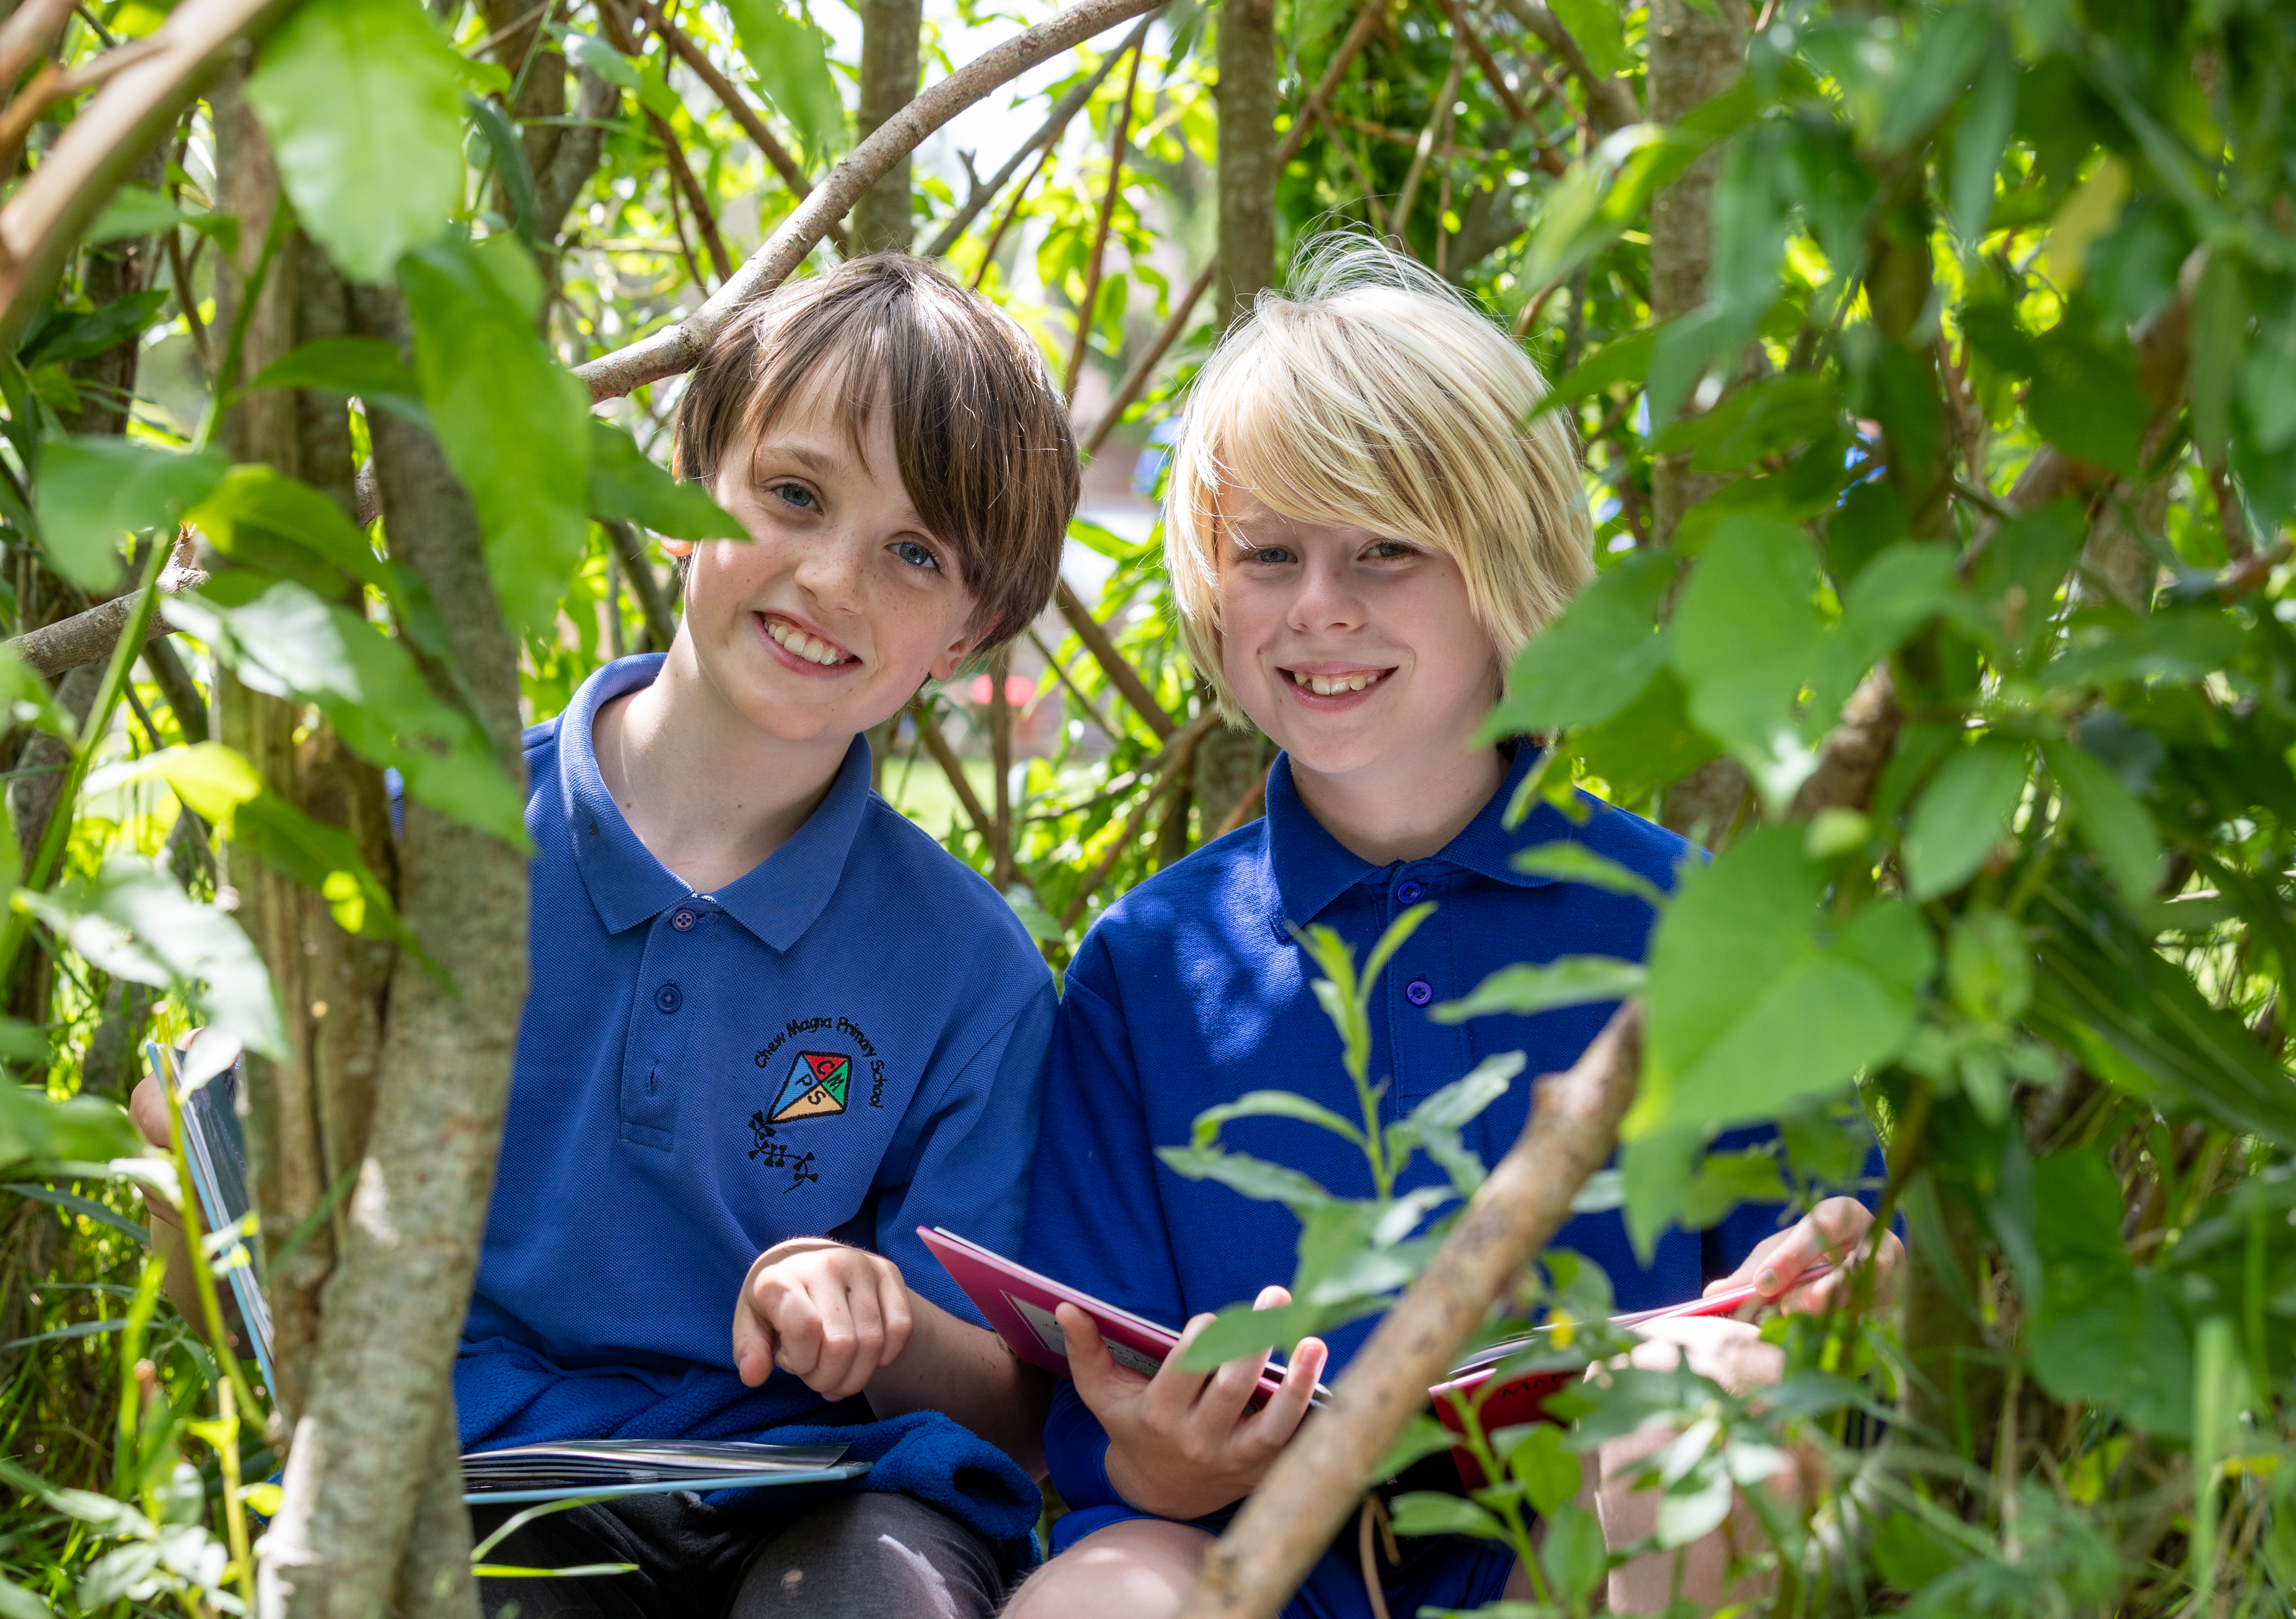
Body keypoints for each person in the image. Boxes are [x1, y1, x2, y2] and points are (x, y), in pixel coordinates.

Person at [133, 253, 1083, 1619]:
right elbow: (235, 1264)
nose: (830, 579)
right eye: (795, 494)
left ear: (971, 629)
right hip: (499, 1476)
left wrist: (878, 1312)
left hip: (824, 1491)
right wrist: (198, 1169)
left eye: (915, 554)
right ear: (688, 475)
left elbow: (1012, 1411)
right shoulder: (431, 833)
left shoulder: (970, 973)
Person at [1002, 239, 1902, 1619]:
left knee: (1700, 1424)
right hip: (1262, 1564)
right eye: (1270, 554)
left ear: (1504, 569)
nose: (1319, 606)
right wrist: (1161, 1453)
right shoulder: (1150, 962)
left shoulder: (1695, 924)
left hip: (1592, 1553)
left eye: (1384, 550)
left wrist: (1842, 1276)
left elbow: (1841, 1292)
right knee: (1093, 1598)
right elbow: (1098, 1431)